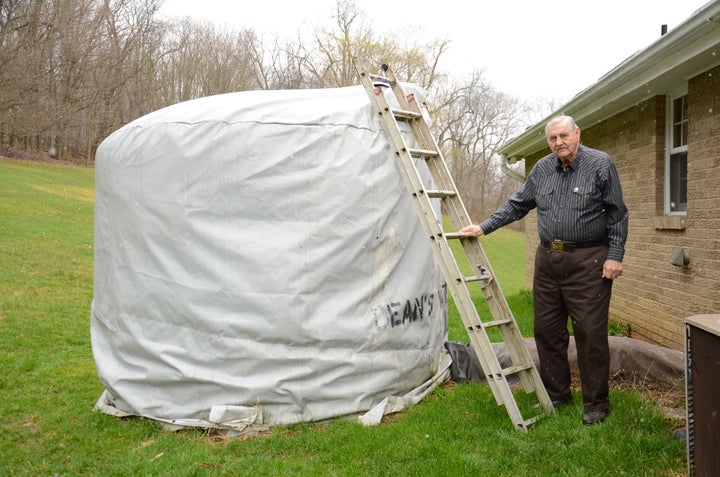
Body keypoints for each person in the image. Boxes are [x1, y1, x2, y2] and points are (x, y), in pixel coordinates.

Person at [459, 115, 628, 426]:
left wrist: (614, 255)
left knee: (590, 334)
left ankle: (596, 405)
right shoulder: (542, 169)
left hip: (588, 261)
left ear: (577, 133)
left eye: (564, 135)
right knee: (547, 332)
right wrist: (484, 227)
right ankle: (556, 395)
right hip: (548, 262)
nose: (558, 142)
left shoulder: (600, 164)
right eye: (552, 138)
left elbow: (618, 214)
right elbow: (518, 204)